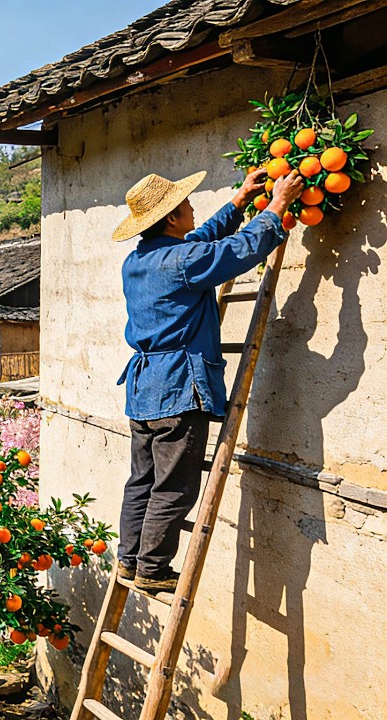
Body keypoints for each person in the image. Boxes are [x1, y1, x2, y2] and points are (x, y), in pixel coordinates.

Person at [111, 167, 304, 593]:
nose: (193, 208)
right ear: (171, 219)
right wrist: (277, 204)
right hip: (179, 389)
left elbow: (200, 243)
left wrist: (238, 202)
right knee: (174, 487)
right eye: (186, 205)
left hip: (144, 391)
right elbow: (237, 251)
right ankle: (152, 568)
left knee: (141, 481)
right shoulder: (183, 261)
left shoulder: (139, 261)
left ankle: (128, 560)